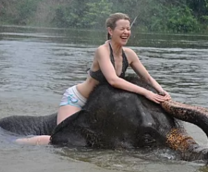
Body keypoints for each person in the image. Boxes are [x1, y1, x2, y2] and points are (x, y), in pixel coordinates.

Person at [16, 12, 171, 145]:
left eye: (128, 29)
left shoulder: (129, 54)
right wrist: (146, 93)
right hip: (78, 100)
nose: (126, 32)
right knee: (61, 141)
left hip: (100, 106)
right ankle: (16, 142)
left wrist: (162, 92)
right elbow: (113, 80)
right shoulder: (102, 51)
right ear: (110, 31)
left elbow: (147, 78)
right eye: (122, 28)